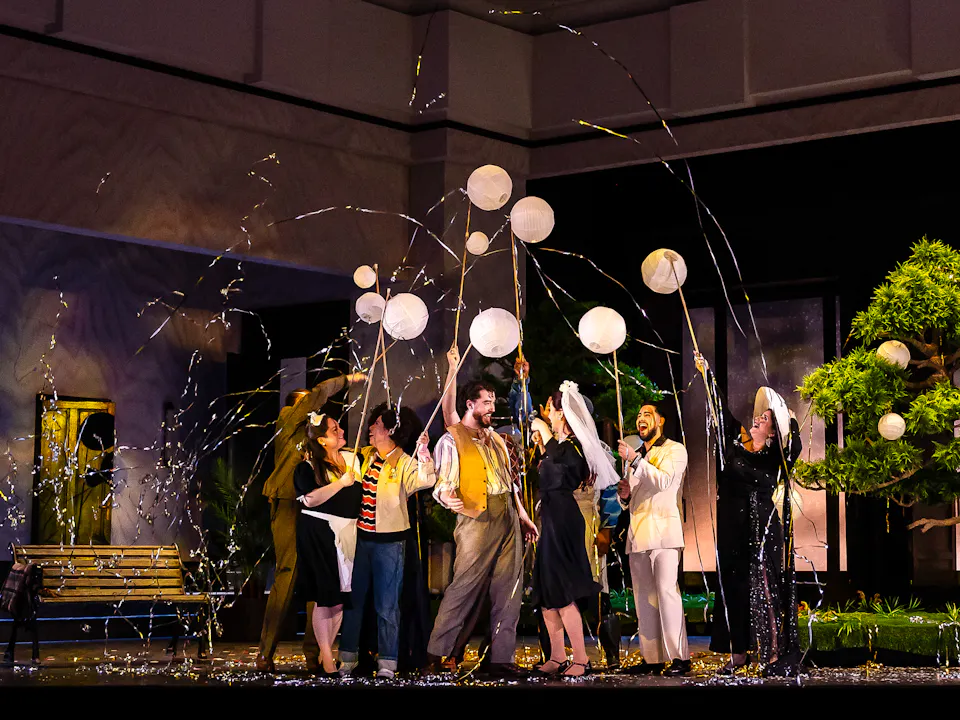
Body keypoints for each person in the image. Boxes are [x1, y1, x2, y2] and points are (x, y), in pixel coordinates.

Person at [425, 351, 539, 679]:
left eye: (493, 401)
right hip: (477, 516)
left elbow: (511, 481)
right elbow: (444, 482)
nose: (492, 407)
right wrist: (446, 497)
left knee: (509, 589)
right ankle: (438, 652)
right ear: (469, 405)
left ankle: (500, 658)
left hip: (507, 516)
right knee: (463, 588)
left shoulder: (497, 441)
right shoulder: (453, 438)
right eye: (486, 402)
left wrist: (522, 515)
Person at [696, 355, 802, 674]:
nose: (758, 419)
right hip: (732, 528)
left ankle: (771, 654)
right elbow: (719, 409)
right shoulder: (735, 442)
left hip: (761, 528)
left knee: (764, 589)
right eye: (760, 415)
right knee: (733, 589)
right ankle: (738, 655)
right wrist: (707, 375)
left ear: (773, 430)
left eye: (766, 418)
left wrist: (787, 419)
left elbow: (793, 446)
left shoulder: (774, 457)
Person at [256, 371, 364, 673]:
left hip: (318, 510)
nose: (315, 411)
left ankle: (315, 652)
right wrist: (348, 380)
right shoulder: (290, 421)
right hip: (291, 503)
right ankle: (266, 651)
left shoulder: (316, 441)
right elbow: (317, 396)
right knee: (288, 574)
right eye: (310, 406)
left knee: (318, 579)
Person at [337, 404, 437, 680]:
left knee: (387, 605)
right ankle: (346, 660)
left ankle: (388, 663)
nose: (371, 428)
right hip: (360, 541)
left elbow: (426, 480)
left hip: (390, 544)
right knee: (353, 602)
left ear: (391, 431)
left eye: (377, 424)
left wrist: (425, 451)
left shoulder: (403, 461)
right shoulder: (364, 456)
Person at [529, 381, 619, 677]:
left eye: (551, 409)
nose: (547, 414)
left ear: (562, 414)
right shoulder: (555, 447)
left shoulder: (573, 450)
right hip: (550, 518)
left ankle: (580, 657)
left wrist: (545, 436)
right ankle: (557, 655)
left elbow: (563, 472)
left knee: (563, 589)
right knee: (546, 592)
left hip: (565, 521)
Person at [616, 403, 691, 676]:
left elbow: (664, 482)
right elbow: (633, 496)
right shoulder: (637, 456)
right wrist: (624, 496)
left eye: (647, 414)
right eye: (638, 416)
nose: (641, 419)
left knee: (667, 594)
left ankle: (679, 657)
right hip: (638, 535)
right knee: (644, 599)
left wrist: (635, 460)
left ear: (661, 420)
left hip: (664, 533)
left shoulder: (674, 449)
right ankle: (653, 658)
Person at [293, 413, 364, 677]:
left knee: (340, 598)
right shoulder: (309, 466)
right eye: (335, 429)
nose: (341, 431)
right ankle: (325, 655)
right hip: (320, 531)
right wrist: (341, 483)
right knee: (326, 595)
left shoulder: (352, 458)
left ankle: (329, 650)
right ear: (322, 440)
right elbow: (309, 499)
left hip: (348, 531)